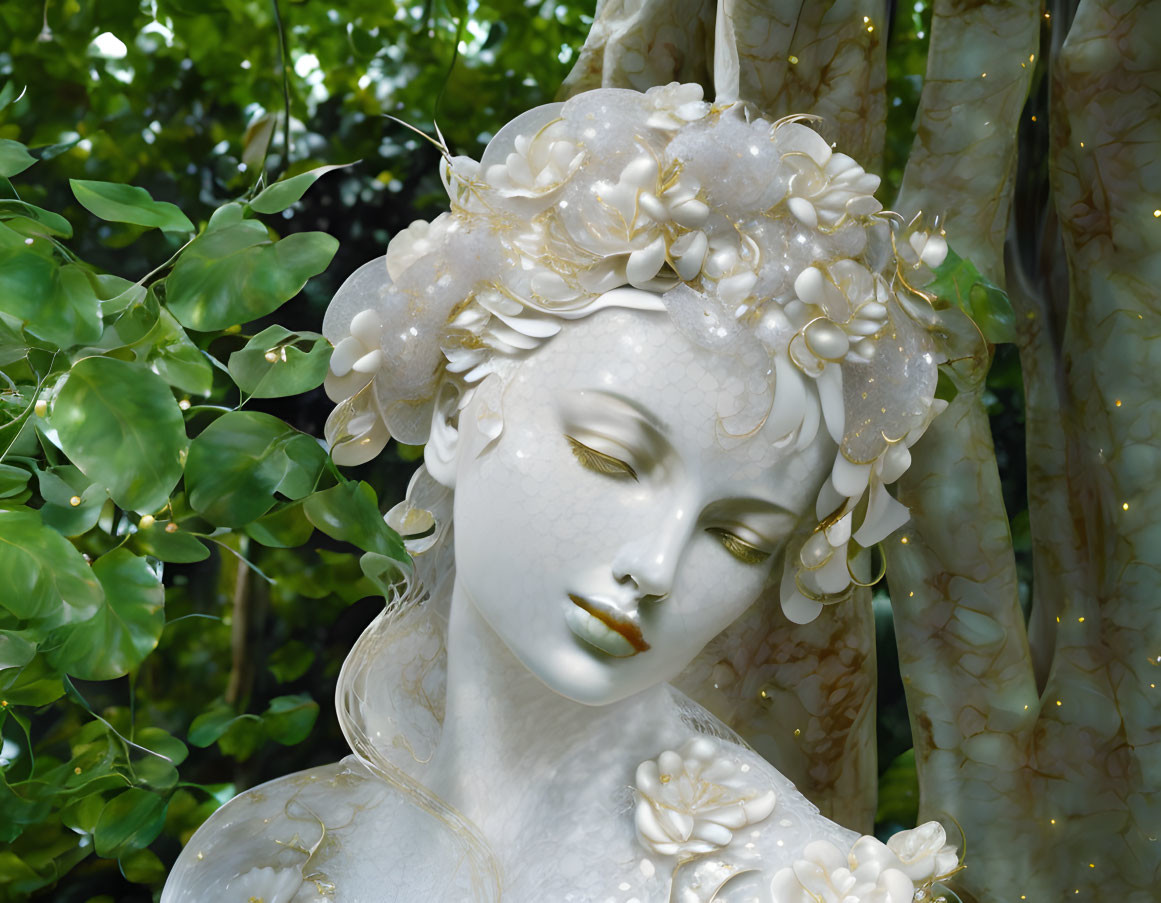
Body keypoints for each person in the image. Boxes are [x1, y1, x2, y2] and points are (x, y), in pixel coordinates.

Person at [162, 84, 962, 903]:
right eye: (611, 457)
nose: (655, 566)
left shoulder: (797, 886)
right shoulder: (257, 857)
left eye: (739, 539)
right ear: (450, 410)